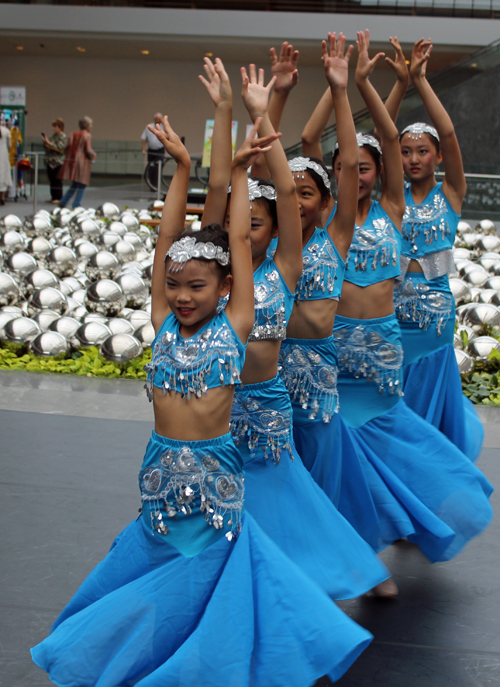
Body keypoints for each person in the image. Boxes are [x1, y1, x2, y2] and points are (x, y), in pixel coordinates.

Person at [31, 112, 373, 687]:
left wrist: (240, 173)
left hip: (217, 488)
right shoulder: (163, 323)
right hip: (160, 488)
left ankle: (213, 666)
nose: (183, 296)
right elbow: (167, 240)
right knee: (138, 586)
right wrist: (182, 169)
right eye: (175, 285)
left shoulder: (235, 327)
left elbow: (239, 238)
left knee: (213, 590)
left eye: (198, 286)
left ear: (225, 289)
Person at [296, 32, 493, 579]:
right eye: (347, 168)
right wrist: (341, 86)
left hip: (391, 345)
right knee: (343, 458)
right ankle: (352, 549)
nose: (357, 174)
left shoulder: (393, 207)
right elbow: (312, 139)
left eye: (367, 166)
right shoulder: (333, 222)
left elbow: (393, 134)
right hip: (339, 351)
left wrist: (375, 83)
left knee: (393, 447)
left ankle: (399, 522)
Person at [199, 52, 390, 601]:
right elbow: (249, 180)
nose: (300, 202)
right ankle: (269, 577)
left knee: (324, 486)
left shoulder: (330, 241)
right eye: (295, 194)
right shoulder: (245, 264)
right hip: (266, 383)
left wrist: (339, 87)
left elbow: (345, 164)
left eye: (312, 194)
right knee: (276, 491)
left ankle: (346, 565)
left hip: (318, 380)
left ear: (328, 202)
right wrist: (262, 107)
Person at [390, 38, 484, 461]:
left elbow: (447, 129)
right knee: (393, 401)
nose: (413, 158)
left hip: (433, 314)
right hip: (391, 312)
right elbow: (379, 137)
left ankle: (428, 468)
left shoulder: (452, 193)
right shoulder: (392, 198)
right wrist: (397, 86)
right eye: (405, 151)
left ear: (438, 156)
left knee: (426, 404)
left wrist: (422, 81)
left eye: (422, 152)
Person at [58, 116, 96, 209]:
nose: (91, 127)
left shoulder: (73, 134)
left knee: (75, 184)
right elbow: (88, 150)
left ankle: (63, 201)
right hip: (83, 163)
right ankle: (76, 204)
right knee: (82, 184)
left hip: (73, 161)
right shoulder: (87, 135)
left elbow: (65, 146)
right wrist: (94, 155)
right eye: (90, 125)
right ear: (86, 126)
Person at [42, 118, 67, 204]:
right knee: (52, 179)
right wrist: (46, 143)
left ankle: (59, 197)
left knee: (57, 180)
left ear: (60, 127)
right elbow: (50, 146)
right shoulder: (53, 136)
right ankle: (53, 196)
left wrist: (49, 143)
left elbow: (60, 148)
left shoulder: (62, 137)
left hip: (58, 162)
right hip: (50, 161)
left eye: (55, 127)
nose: (54, 129)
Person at [142, 112, 165, 188]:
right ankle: (151, 184)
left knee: (157, 168)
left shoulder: (163, 127)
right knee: (151, 167)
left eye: (159, 119)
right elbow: (144, 138)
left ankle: (156, 185)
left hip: (160, 150)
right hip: (151, 150)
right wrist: (143, 149)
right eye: (157, 119)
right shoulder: (149, 126)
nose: (158, 120)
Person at [0, 122, 12, 206]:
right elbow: (10, 145)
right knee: (3, 174)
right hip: (3, 154)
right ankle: (2, 197)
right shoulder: (6, 131)